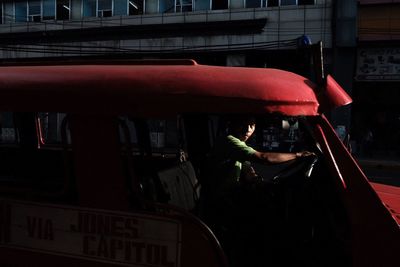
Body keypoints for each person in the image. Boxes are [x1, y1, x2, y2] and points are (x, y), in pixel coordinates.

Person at [199, 115, 314, 267]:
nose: (248, 129)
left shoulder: (239, 145)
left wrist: (259, 181)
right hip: (221, 201)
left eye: (251, 125)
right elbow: (264, 158)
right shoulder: (229, 141)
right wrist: (298, 155)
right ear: (233, 123)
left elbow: (248, 170)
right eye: (243, 124)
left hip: (230, 196)